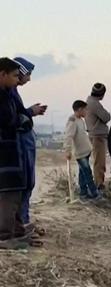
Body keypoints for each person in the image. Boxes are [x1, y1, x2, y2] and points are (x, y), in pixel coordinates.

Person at [11, 57, 46, 239]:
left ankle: (22, 221)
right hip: (20, 144)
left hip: (23, 142)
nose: (28, 79)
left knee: (26, 183)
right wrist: (29, 112)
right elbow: (13, 118)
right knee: (24, 183)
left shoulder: (13, 92)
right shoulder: (9, 92)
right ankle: (20, 223)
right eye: (27, 74)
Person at [0, 58, 27, 250]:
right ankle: (4, 237)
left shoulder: (8, 94)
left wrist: (21, 118)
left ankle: (15, 231)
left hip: (11, 151)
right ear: (3, 74)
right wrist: (20, 119)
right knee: (8, 193)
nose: (18, 80)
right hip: (4, 154)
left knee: (14, 191)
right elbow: (8, 118)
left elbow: (20, 116)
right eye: (15, 76)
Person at [64, 100, 99, 201]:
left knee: (82, 174)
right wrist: (67, 150)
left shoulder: (80, 120)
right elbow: (68, 137)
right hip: (80, 154)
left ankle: (83, 193)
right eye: (85, 110)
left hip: (86, 151)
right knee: (87, 173)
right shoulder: (72, 121)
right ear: (79, 109)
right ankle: (94, 193)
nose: (86, 112)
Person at [85, 83, 111, 190]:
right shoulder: (95, 104)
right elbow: (106, 117)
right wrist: (108, 114)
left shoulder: (89, 102)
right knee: (99, 162)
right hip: (98, 136)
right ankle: (99, 184)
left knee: (98, 161)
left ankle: (98, 182)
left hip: (94, 135)